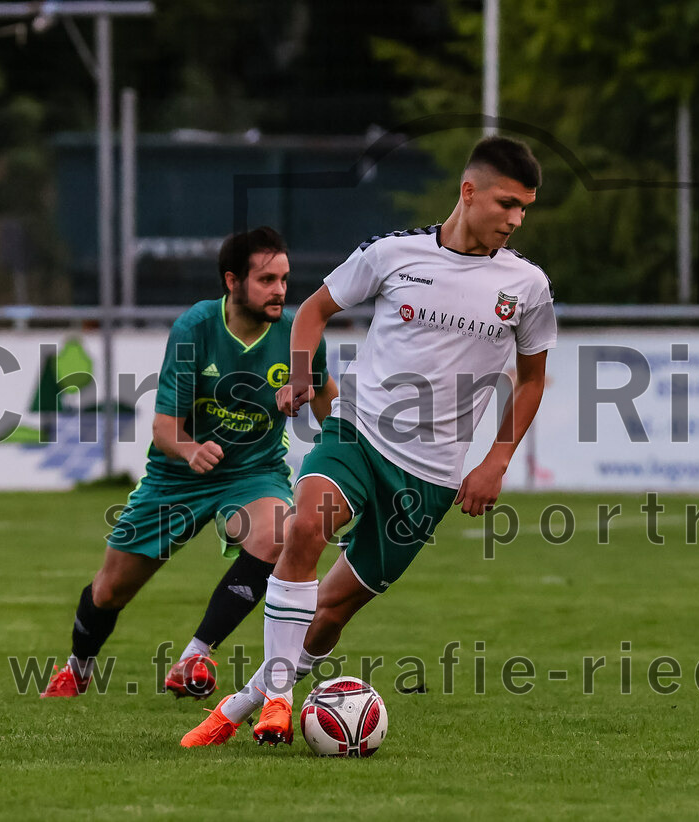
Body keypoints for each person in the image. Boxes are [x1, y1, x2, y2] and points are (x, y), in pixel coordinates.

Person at [181, 135, 557, 746]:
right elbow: (313, 311)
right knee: (305, 528)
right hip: (359, 432)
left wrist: (497, 459)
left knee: (331, 609)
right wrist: (303, 371)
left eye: (526, 209)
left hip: (431, 477)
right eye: (507, 203)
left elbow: (534, 378)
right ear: (469, 192)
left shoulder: (528, 286)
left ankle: (240, 705)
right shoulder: (392, 254)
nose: (515, 220)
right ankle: (280, 700)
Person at [41, 226, 338, 698]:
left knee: (278, 533)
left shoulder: (299, 335)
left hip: (253, 475)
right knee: (111, 591)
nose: (280, 290)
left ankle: (193, 657)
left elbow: (330, 409)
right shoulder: (196, 328)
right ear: (232, 281)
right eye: (266, 280)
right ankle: (78, 667)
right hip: (174, 479)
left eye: (284, 279)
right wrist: (190, 449)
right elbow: (163, 429)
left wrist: (345, 451)